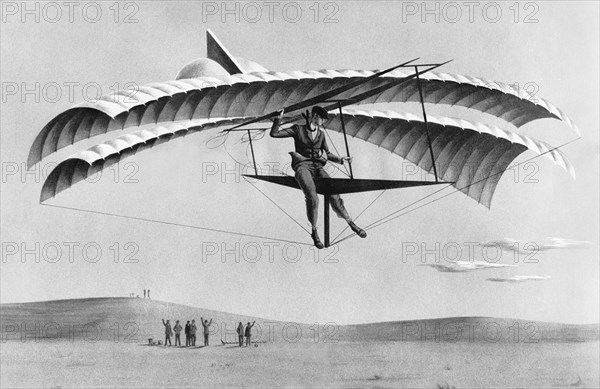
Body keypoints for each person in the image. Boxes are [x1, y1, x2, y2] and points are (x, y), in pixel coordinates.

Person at [270, 106, 367, 248]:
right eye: (322, 118)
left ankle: (350, 222)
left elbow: (327, 153)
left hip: (318, 167)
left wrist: (341, 160)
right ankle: (314, 231)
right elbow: (274, 134)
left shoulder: (321, 134)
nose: (323, 121)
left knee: (334, 194)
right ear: (314, 116)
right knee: (312, 197)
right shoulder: (298, 129)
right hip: (302, 166)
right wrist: (278, 118)